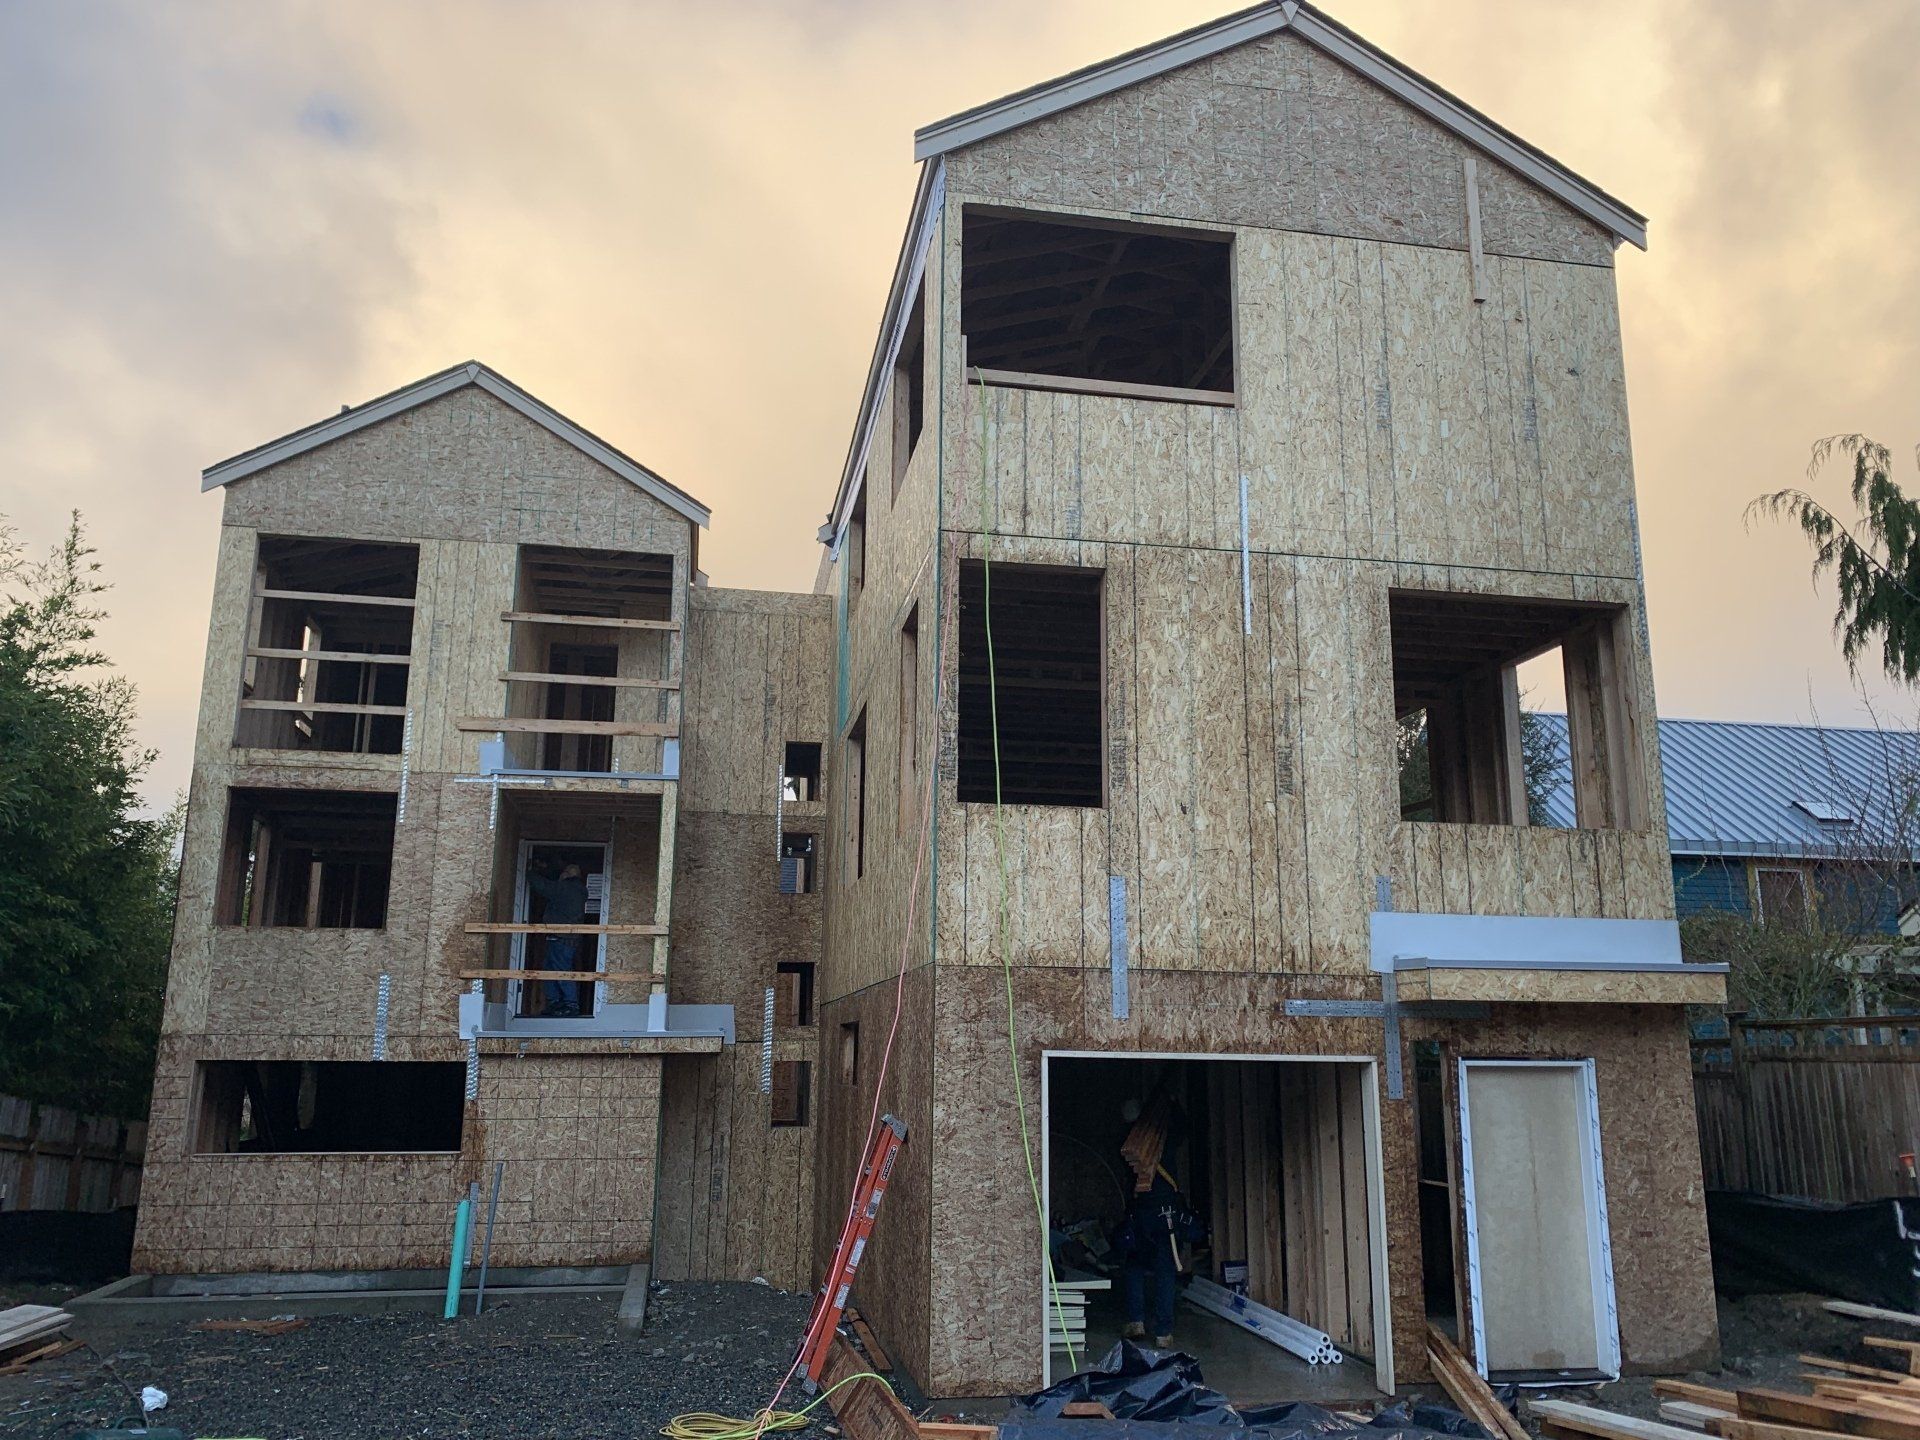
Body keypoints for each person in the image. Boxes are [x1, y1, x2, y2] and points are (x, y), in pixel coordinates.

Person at [1116, 1164, 1184, 1348]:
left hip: (1141, 1214)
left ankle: (1136, 1322)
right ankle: (1163, 1333)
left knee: (1135, 1267)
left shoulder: (1137, 1148)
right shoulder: (1167, 1143)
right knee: (1165, 1273)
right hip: (1165, 1217)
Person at [526, 860, 589, 1018]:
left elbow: (543, 886)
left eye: (564, 872)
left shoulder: (566, 889)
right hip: (564, 937)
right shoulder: (578, 890)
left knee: (560, 970)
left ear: (567, 875)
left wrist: (528, 872)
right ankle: (557, 1002)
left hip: (561, 937)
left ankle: (569, 1004)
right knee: (551, 969)